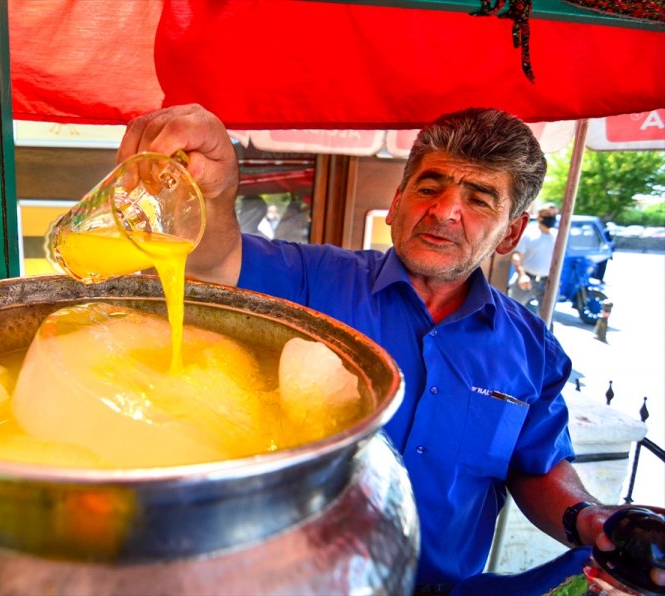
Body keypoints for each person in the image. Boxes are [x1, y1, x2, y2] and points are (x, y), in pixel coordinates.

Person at [116, 104, 665, 592]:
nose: (446, 210)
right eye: (430, 187)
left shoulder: (532, 348)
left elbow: (536, 466)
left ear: (512, 233)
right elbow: (213, 259)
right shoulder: (312, 280)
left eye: (478, 198)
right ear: (399, 200)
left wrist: (589, 517)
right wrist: (214, 196)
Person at [509, 202, 559, 310]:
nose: (552, 218)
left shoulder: (557, 236)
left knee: (546, 316)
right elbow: (517, 256)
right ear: (539, 217)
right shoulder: (529, 234)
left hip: (547, 282)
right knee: (512, 311)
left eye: (554, 215)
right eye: (548, 215)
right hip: (526, 279)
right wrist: (522, 275)